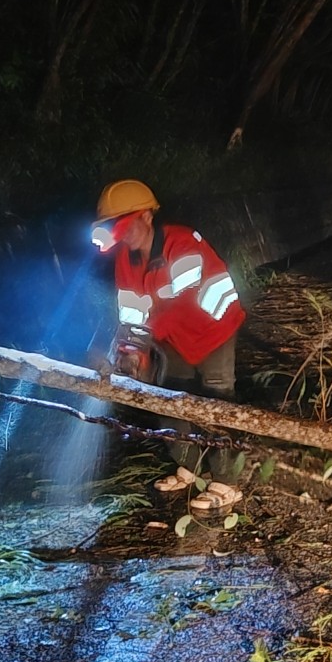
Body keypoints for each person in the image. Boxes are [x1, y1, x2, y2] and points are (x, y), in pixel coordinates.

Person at [90, 178, 248, 514]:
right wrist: (129, 353)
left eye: (124, 223)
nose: (121, 234)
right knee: (172, 400)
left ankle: (227, 481)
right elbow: (132, 311)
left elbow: (180, 301)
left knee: (216, 400)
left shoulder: (181, 242)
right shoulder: (125, 261)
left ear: (147, 216)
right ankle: (192, 465)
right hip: (173, 338)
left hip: (213, 327)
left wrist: (143, 343)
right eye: (113, 227)